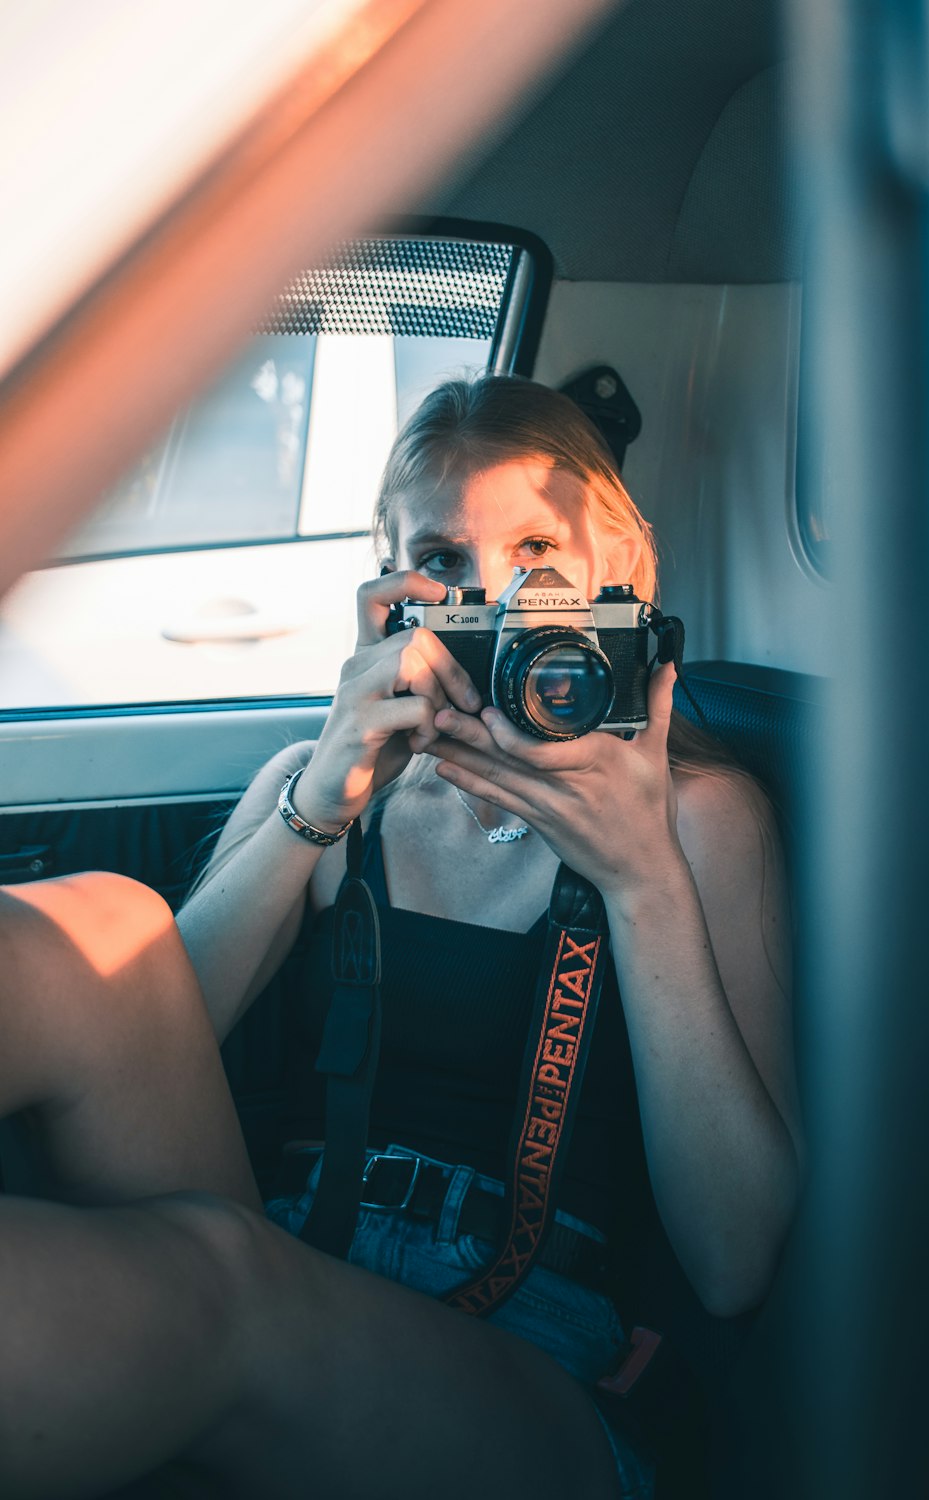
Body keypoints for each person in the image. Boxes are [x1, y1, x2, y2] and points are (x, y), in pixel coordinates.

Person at [0, 374, 800, 1499]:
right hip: (294, 1241)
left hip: (538, 1359)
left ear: (622, 575)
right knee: (99, 928)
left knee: (227, 1280)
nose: (498, 598)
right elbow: (141, 1048)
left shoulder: (701, 821)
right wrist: (318, 802)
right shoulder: (324, 787)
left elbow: (735, 1262)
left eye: (536, 552)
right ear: (391, 589)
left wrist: (640, 878)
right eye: (448, 560)